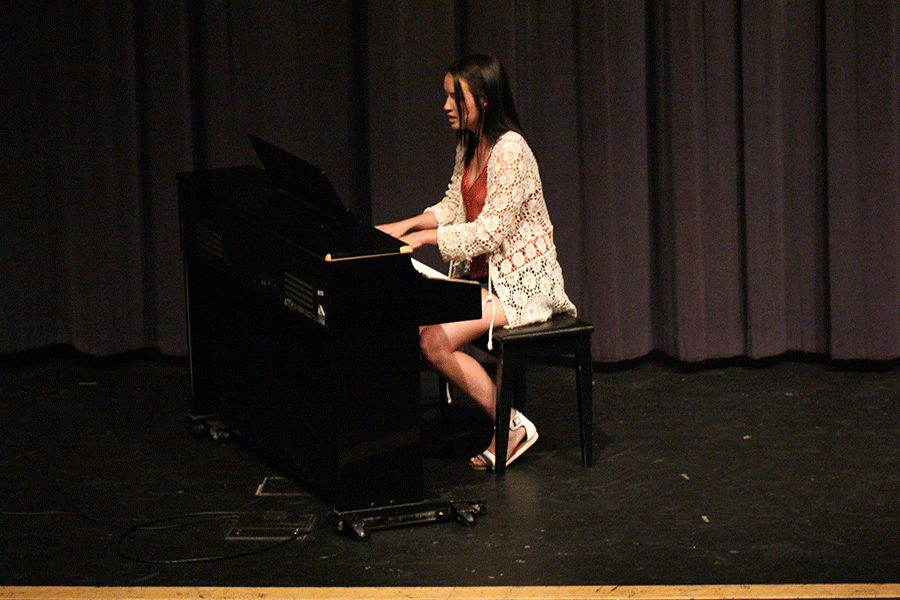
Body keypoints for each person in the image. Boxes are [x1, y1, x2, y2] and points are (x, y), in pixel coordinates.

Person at [377, 54, 576, 471]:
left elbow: (490, 232)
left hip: (521, 286)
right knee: (415, 321)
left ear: (482, 100)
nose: (447, 105)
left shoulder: (511, 151)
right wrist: (404, 224)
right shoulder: (470, 145)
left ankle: (510, 425)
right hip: (486, 280)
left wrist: (421, 240)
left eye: (455, 97)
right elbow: (453, 206)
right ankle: (505, 422)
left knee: (433, 340)